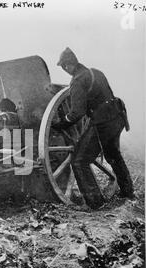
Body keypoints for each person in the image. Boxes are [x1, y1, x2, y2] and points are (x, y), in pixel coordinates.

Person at [52, 47, 134, 209]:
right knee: (113, 155)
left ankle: (95, 203)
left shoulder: (77, 81)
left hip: (102, 123)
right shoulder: (96, 72)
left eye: (63, 67)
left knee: (79, 161)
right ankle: (128, 192)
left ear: (68, 66)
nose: (65, 70)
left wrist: (60, 124)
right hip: (117, 117)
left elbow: (76, 113)